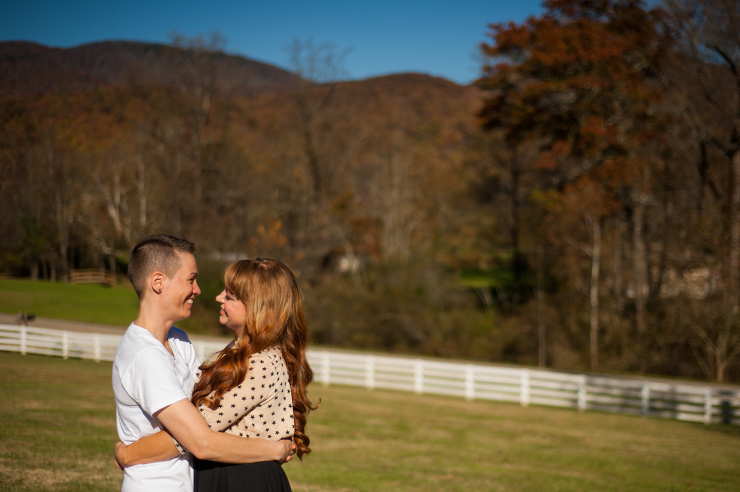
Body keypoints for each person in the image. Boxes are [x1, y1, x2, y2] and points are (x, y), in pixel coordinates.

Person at [116, 257, 316, 492]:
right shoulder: (241, 353)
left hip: (244, 479)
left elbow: (196, 434)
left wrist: (128, 453)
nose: (219, 297)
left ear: (258, 307)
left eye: (230, 296)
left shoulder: (261, 363)